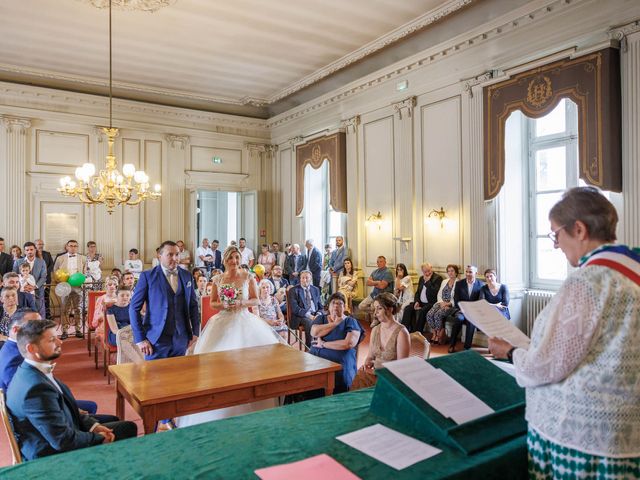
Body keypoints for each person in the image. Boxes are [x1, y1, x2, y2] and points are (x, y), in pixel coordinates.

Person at [488, 187, 640, 478]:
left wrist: (510, 351)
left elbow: (547, 366)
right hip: (627, 426)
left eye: (556, 234)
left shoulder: (587, 283)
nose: (556, 244)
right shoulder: (631, 270)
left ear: (579, 229)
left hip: (585, 435)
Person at [177, 246, 282, 427]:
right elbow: (213, 302)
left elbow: (256, 299)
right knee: (216, 363)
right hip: (223, 321)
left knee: (251, 363)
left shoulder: (248, 276)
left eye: (237, 257)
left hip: (244, 319)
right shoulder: (218, 279)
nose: (234, 261)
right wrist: (224, 304)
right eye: (231, 258)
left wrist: (241, 302)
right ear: (225, 260)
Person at [6, 319, 137, 461]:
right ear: (32, 349)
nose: (60, 342)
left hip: (60, 433)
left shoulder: (31, 370)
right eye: (52, 340)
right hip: (51, 456)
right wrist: (98, 438)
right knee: (127, 428)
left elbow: (69, 406)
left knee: (119, 424)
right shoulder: (35, 389)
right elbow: (62, 441)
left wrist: (93, 426)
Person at [0, 310, 118, 424]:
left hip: (46, 401)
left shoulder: (13, 348)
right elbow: (27, 398)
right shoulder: (14, 358)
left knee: (92, 408)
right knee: (116, 422)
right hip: (34, 416)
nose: (42, 329)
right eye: (35, 325)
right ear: (16, 330)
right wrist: (69, 412)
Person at [130, 240, 200, 360]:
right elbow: (133, 308)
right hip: (156, 340)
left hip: (181, 339)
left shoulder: (187, 276)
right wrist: (140, 339)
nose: (175, 258)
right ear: (160, 256)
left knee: (179, 377)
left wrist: (195, 333)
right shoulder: (147, 276)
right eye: (170, 255)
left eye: (177, 254)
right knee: (154, 377)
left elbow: (193, 306)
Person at [352, 292, 410, 389]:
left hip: (392, 379)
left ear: (390, 309)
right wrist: (367, 363)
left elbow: (401, 368)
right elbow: (370, 356)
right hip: (374, 375)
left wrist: (376, 372)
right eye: (375, 309)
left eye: (379, 308)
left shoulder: (401, 333)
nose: (375, 313)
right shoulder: (375, 330)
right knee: (358, 377)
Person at [309, 292, 364, 393]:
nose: (336, 306)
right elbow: (314, 332)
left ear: (344, 307)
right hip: (315, 363)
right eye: (333, 303)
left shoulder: (350, 321)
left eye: (340, 303)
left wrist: (324, 344)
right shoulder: (321, 318)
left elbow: (348, 343)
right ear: (328, 306)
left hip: (339, 364)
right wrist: (335, 324)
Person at [53, 240, 86, 339]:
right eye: (71, 246)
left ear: (77, 247)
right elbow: (55, 271)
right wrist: (59, 281)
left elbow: (84, 272)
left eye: (75, 246)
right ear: (67, 247)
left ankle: (78, 329)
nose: (73, 248)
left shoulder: (83, 258)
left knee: (78, 309)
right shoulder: (60, 258)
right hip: (64, 286)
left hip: (78, 286)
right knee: (64, 309)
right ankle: (65, 331)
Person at [448, 265, 484, 353]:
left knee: (471, 321)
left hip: (473, 311)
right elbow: (456, 299)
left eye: (470, 272)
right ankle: (452, 344)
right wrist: (462, 309)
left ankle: (467, 348)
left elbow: (480, 301)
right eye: (467, 272)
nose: (468, 274)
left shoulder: (481, 285)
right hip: (462, 310)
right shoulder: (460, 283)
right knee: (458, 319)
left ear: (476, 273)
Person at [401, 263, 443, 333]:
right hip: (420, 302)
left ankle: (417, 332)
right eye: (425, 272)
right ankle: (403, 331)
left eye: (428, 271)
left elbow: (435, 292)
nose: (427, 273)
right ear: (422, 271)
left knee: (423, 311)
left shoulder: (437, 278)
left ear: (431, 268)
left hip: (431, 302)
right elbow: (417, 292)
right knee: (408, 308)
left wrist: (427, 282)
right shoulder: (421, 278)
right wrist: (417, 301)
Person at [425, 264, 459, 344]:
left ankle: (439, 333)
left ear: (456, 272)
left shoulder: (459, 283)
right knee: (429, 314)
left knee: (437, 314)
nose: (450, 273)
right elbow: (439, 294)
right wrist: (441, 302)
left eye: (452, 271)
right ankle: (435, 333)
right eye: (448, 271)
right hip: (441, 302)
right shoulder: (444, 281)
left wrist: (448, 304)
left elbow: (457, 298)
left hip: (451, 305)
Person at [289, 270, 323, 348]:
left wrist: (318, 314)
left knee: (328, 319)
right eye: (303, 278)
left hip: (315, 314)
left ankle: (323, 345)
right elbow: (295, 308)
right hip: (301, 316)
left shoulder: (316, 289)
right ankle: (309, 347)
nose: (305, 280)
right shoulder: (294, 290)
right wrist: (309, 316)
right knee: (309, 322)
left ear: (311, 279)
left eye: (307, 278)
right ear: (300, 279)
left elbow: (320, 306)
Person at [14, 242, 47, 319]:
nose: (29, 251)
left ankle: (41, 330)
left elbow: (43, 277)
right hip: (22, 292)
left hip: (38, 291)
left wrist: (34, 286)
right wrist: (22, 286)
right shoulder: (18, 262)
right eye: (27, 250)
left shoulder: (42, 262)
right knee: (23, 313)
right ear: (25, 251)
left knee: (39, 313)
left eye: (31, 249)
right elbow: (14, 276)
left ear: (35, 250)